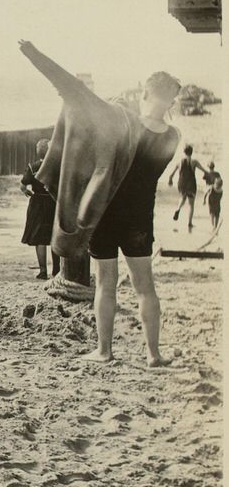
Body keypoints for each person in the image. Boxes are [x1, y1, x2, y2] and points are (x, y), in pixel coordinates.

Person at [83, 70, 181, 366]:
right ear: (170, 100)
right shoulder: (173, 136)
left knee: (105, 284)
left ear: (146, 94)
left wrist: (114, 111)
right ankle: (153, 354)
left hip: (106, 213)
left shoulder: (125, 124)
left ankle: (104, 351)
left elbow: (99, 154)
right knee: (145, 287)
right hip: (139, 218)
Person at [21, 137, 58, 280]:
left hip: (37, 203)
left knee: (40, 238)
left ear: (38, 153)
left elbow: (23, 185)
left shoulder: (33, 166)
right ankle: (56, 270)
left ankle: (43, 271)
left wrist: (28, 192)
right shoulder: (56, 166)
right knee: (54, 236)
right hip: (53, 201)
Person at [169, 144, 207, 231]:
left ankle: (178, 209)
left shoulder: (179, 161)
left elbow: (172, 174)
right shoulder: (194, 162)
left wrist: (170, 180)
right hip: (191, 183)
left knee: (182, 197)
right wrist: (209, 175)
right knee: (191, 204)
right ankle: (189, 223)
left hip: (182, 183)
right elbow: (203, 170)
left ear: (184, 152)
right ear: (192, 152)